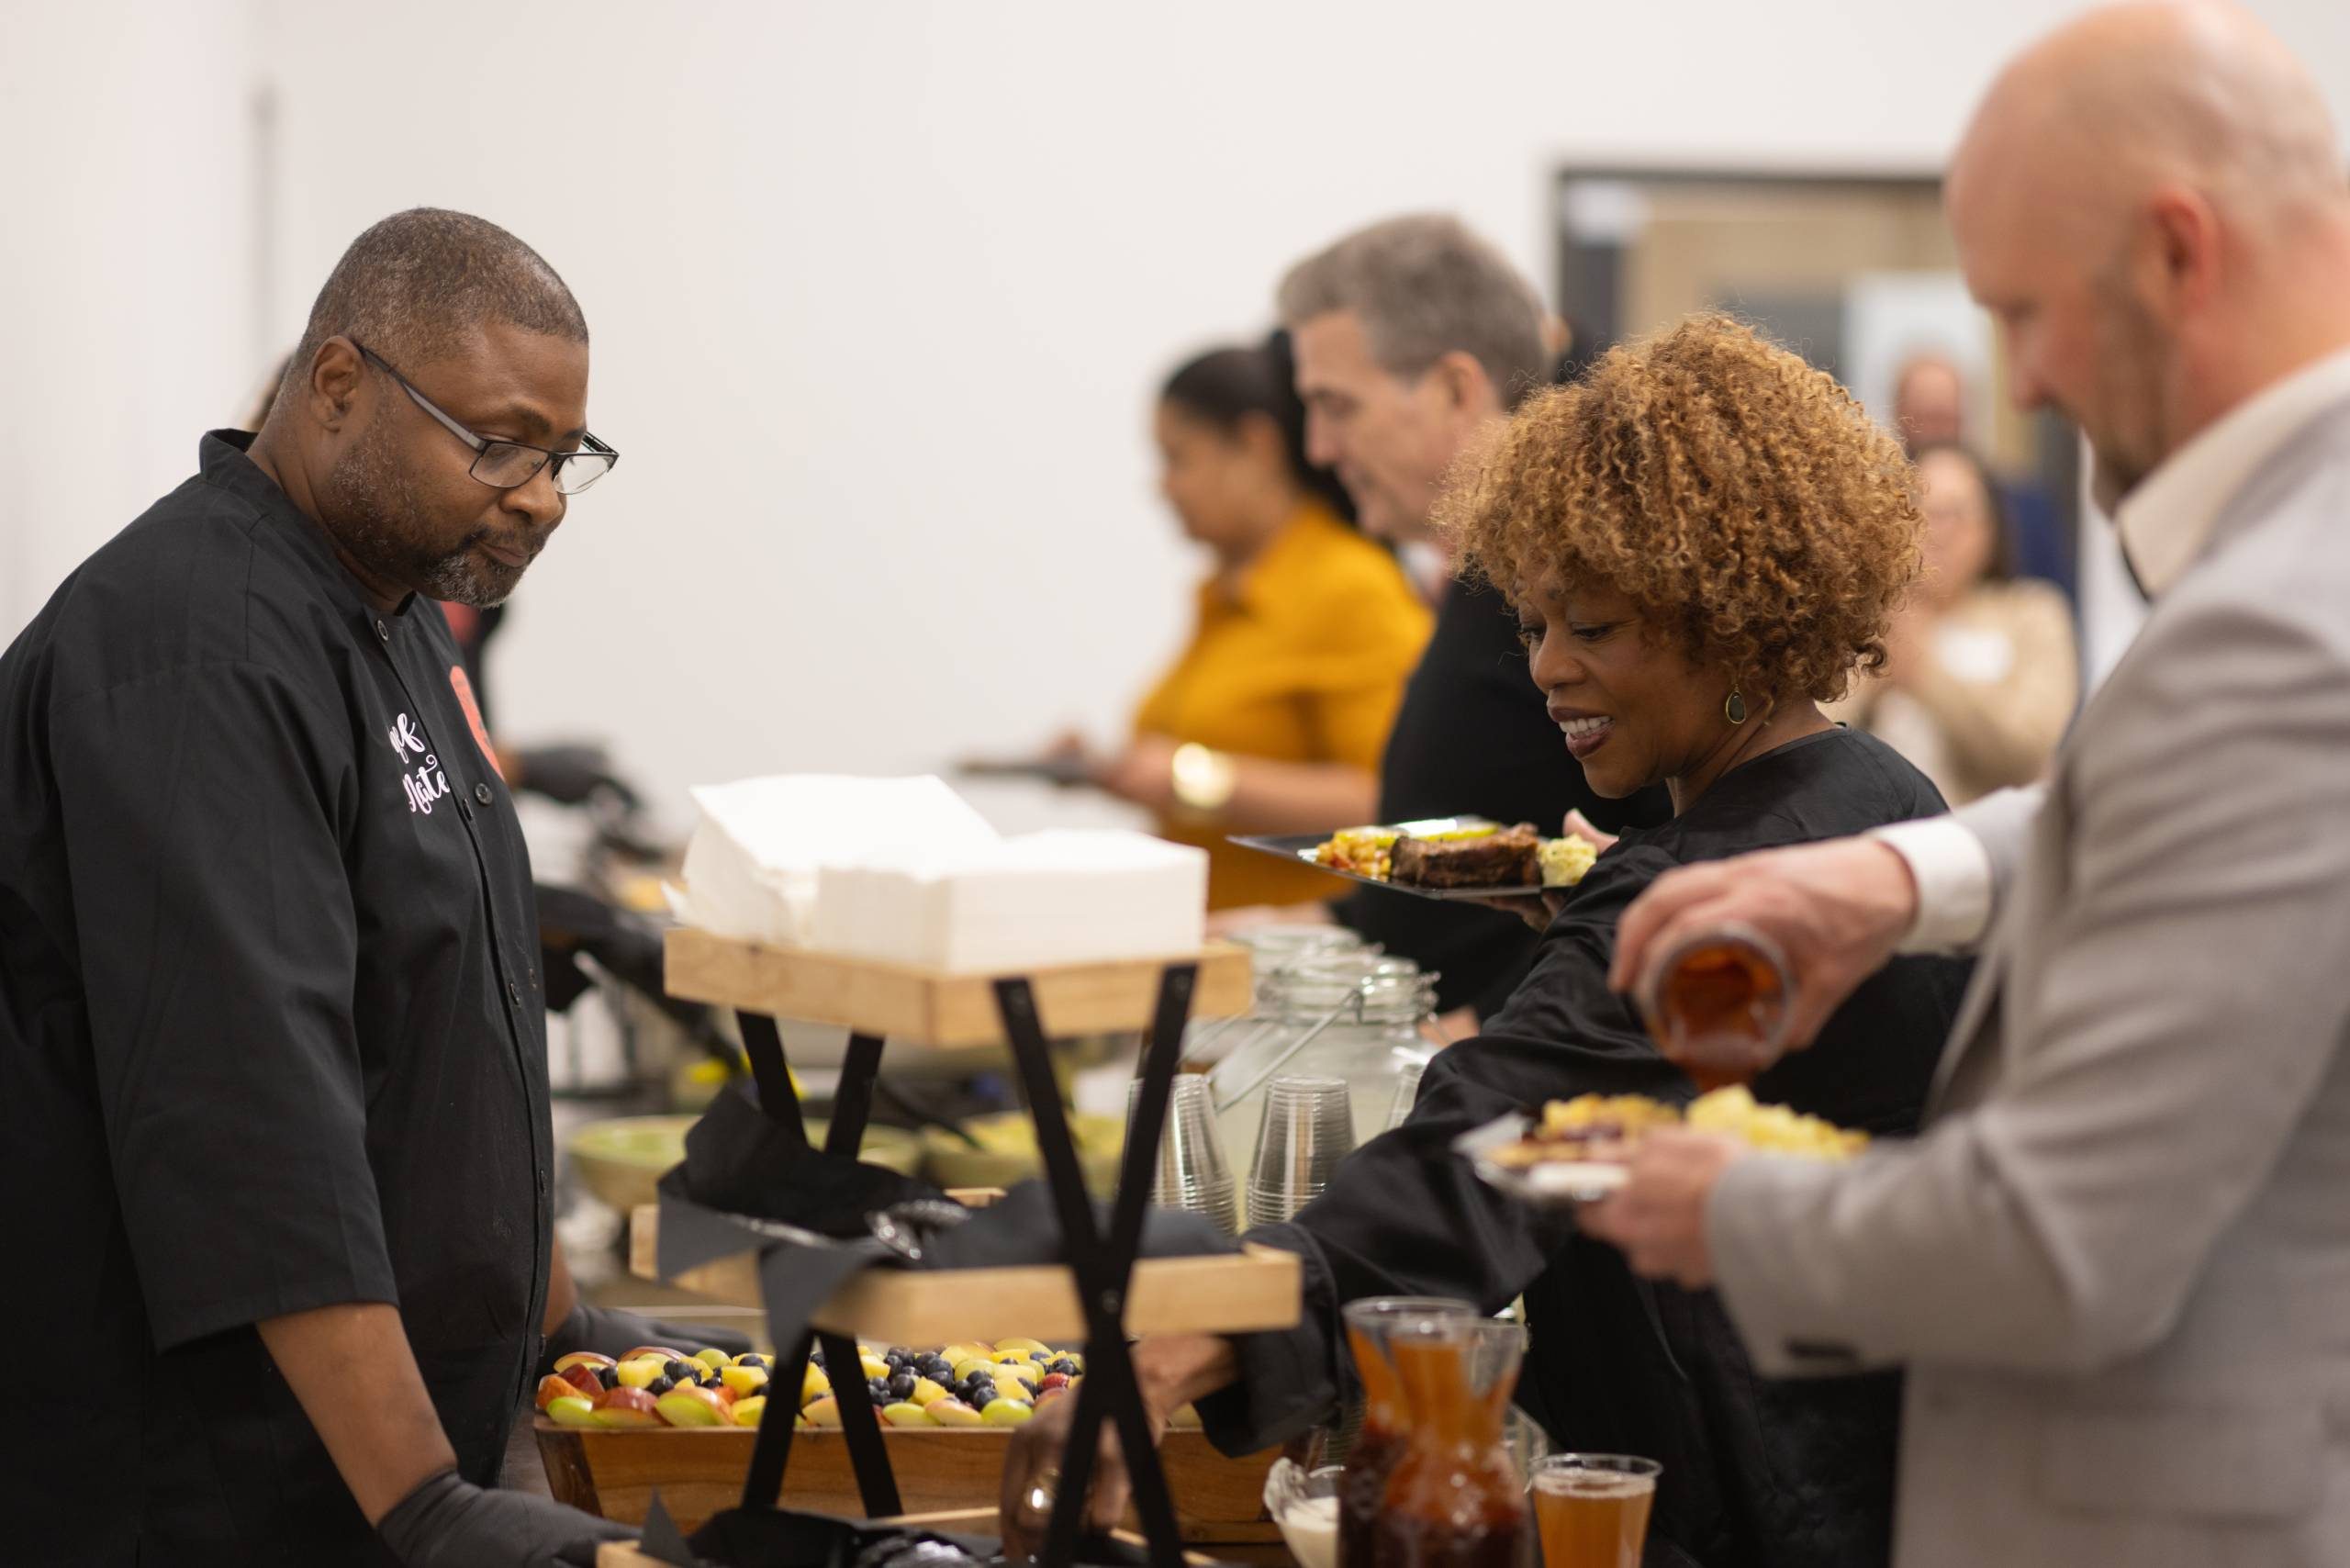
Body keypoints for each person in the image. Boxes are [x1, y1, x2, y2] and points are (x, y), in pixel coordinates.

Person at [1002, 315, 1974, 1567]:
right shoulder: (1878, 799)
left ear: (1731, 617)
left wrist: (1184, 1349)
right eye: (1534, 625)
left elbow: (1490, 1141)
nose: (1550, 670)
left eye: (1598, 628)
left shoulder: (1710, 885)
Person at [1585, 7, 2350, 1565]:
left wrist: (1718, 1205)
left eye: (2028, 311)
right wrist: (1899, 879)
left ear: (2178, 253)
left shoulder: (2282, 618)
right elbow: (2190, 804)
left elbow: (2057, 1245)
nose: (2024, 378)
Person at [0, 208, 726, 1566]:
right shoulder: (200, 647)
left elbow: (460, 1033)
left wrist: (562, 1332)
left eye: (567, 459)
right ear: (337, 386)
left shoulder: (382, 613)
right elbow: (251, 1114)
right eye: (501, 444)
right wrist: (423, 1506)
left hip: (369, 1456)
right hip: (215, 1482)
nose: (540, 498)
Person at [1243, 214, 1673, 1018]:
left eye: (1337, 406)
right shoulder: (1487, 575)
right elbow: (1475, 870)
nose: (1319, 447)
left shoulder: (1573, 579)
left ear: (1454, 388)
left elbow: (1665, 859)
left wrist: (1499, 1030)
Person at [1036, 335, 1431, 909]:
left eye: (1179, 458)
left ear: (1254, 445)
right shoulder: (1224, 593)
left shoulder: (1350, 585)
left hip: (1307, 963)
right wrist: (1115, 767)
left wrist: (1192, 780)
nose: (1163, 486)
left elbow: (1394, 801)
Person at [1827, 442, 2077, 804]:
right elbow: (1816, 731)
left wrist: (1923, 670)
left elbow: (2029, 747)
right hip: (1878, 836)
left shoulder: (2032, 612)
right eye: (1921, 512)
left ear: (1989, 529)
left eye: (1954, 514)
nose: (1937, 532)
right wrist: (1875, 674)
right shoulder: (1869, 618)